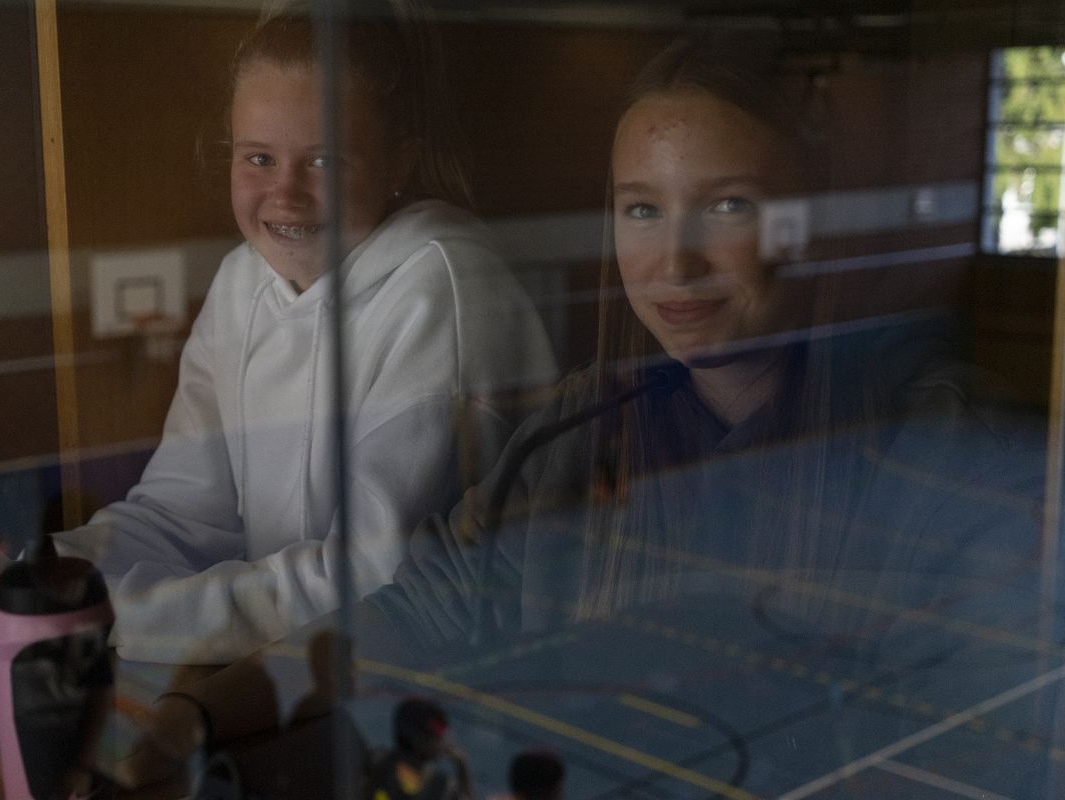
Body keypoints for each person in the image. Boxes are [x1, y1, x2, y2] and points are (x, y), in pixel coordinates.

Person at [117, 32, 1049, 792]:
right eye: (641, 211)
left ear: (814, 224)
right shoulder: (579, 434)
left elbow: (987, 752)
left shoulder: (943, 449)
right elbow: (407, 616)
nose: (675, 262)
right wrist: (194, 717)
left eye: (729, 206)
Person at [0, 0, 556, 664]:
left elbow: (371, 579)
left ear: (398, 163)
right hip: (282, 674)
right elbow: (183, 515)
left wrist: (97, 612)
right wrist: (32, 578)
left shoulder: (444, 290)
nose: (286, 195)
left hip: (423, 683)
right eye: (259, 158)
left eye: (324, 161)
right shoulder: (242, 279)